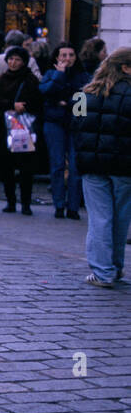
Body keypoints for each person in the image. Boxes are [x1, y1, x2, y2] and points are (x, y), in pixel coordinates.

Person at [73, 47, 131, 287]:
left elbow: (75, 124)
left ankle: (102, 271)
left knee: (99, 218)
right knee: (120, 219)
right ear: (125, 68)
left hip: (92, 164)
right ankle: (114, 268)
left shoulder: (84, 94)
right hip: (124, 165)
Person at [0, 46, 45, 215]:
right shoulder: (1, 80)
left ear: (24, 62)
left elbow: (37, 102)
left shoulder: (30, 80)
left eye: (17, 59)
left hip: (24, 129)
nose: (13, 63)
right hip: (4, 129)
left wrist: (24, 106)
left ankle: (26, 203)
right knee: (7, 167)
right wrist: (11, 105)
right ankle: (10, 201)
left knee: (26, 168)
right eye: (11, 59)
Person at [39, 42, 91, 220]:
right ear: (57, 58)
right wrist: (59, 75)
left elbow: (81, 104)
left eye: (71, 55)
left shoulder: (83, 76)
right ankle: (59, 204)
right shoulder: (50, 74)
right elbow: (46, 92)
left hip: (75, 124)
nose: (67, 59)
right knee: (57, 165)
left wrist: (63, 102)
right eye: (63, 55)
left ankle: (73, 206)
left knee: (76, 167)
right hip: (54, 123)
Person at [0, 29, 41, 112]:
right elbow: (37, 81)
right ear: (22, 42)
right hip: (22, 106)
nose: (13, 63)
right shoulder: (30, 60)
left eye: (17, 60)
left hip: (1, 106)